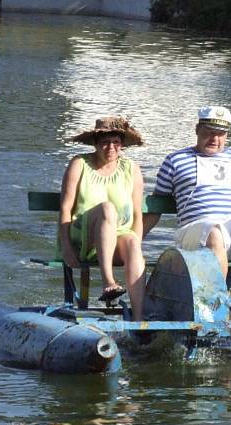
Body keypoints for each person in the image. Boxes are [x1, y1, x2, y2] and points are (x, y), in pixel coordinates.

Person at [149, 106, 231, 305]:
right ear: (197, 130)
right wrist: (134, 238)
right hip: (195, 232)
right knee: (214, 231)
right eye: (208, 133)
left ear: (226, 135)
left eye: (220, 134)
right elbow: (156, 204)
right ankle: (219, 307)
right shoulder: (175, 160)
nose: (214, 139)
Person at [59, 116, 146, 320]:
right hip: (84, 237)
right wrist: (66, 247)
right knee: (108, 209)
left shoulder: (131, 168)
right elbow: (65, 209)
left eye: (116, 142)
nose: (111, 147)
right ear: (95, 144)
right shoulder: (79, 163)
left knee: (133, 241)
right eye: (105, 142)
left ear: (122, 145)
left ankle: (140, 320)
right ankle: (108, 282)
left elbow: (136, 213)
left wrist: (137, 247)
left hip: (118, 237)